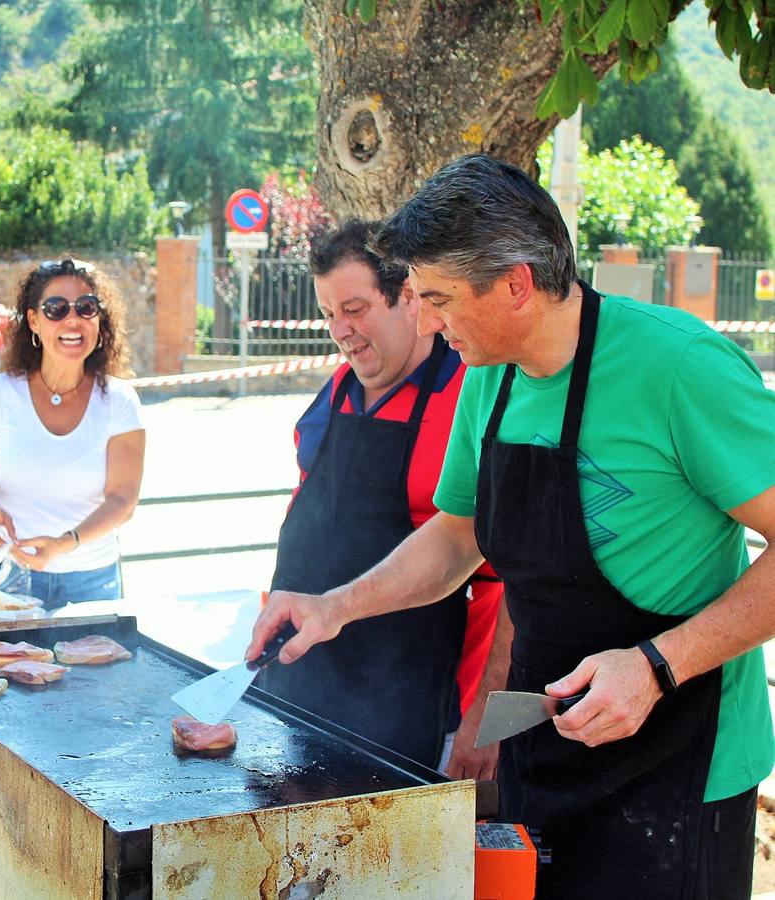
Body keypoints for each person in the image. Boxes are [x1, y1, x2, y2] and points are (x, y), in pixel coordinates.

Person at [247, 154, 775, 898]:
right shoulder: (486, 374)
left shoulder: (678, 366)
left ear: (517, 284)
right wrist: (335, 606)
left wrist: (659, 665)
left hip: (680, 770)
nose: (426, 321)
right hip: (540, 752)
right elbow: (458, 537)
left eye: (440, 299)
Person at [262, 221, 504, 773]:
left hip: (418, 709)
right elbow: (305, 524)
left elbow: (497, 580)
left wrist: (483, 714)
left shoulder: (464, 398)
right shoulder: (335, 394)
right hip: (302, 690)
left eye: (355, 308)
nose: (340, 330)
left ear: (410, 299)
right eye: (328, 314)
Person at [0, 258, 145, 609]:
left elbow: (123, 501)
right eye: (56, 308)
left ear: (100, 320)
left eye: (86, 307)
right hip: (4, 574)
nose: (72, 319)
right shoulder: (0, 393)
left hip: (92, 580)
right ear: (33, 321)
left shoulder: (120, 401)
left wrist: (66, 543)